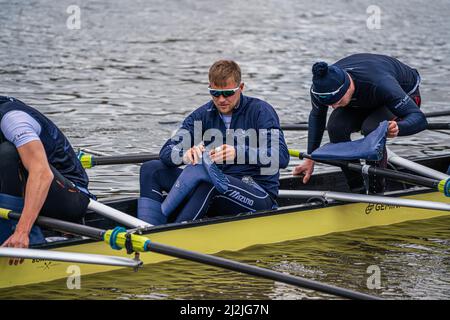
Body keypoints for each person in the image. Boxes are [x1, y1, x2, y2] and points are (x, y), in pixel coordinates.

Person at [138, 60, 289, 225]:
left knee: (210, 183)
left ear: (241, 88)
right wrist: (185, 156)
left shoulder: (261, 111)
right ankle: (146, 228)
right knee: (151, 169)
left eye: (228, 93)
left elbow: (281, 156)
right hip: (217, 186)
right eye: (215, 93)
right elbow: (167, 151)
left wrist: (239, 152)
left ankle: (169, 237)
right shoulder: (203, 114)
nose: (221, 100)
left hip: (257, 193)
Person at [293, 53, 428, 193]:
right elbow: (317, 117)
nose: (333, 107)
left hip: (405, 93)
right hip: (366, 98)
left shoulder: (382, 83)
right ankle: (357, 189)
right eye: (329, 104)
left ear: (348, 87)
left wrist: (399, 127)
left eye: (337, 102)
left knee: (371, 128)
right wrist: (310, 158)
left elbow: (420, 119)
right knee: (335, 127)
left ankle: (377, 192)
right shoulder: (321, 85)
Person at [0, 96, 92, 261]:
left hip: (71, 196)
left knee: (8, 153)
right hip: (33, 194)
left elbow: (42, 174)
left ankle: (24, 238)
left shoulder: (13, 120)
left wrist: (22, 231)